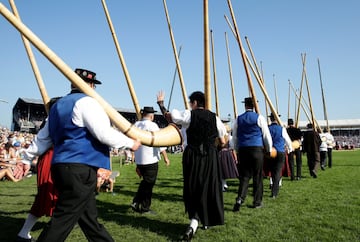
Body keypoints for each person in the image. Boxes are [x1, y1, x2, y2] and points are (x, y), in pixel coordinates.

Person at [21, 68, 141, 242]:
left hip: (61, 168)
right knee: (63, 220)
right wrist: (131, 143)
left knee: (89, 220)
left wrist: (25, 158)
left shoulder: (57, 106)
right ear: (91, 85)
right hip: (80, 168)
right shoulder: (88, 103)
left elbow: (42, 139)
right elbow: (103, 133)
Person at [157, 90, 226, 241]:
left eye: (190, 103)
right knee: (208, 187)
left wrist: (161, 104)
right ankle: (204, 220)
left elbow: (170, 117)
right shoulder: (215, 118)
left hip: (193, 156)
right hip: (210, 157)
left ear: (195, 103)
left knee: (193, 187)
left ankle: (194, 221)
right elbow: (223, 141)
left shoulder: (189, 115)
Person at [231, 97, 272, 211]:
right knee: (257, 176)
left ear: (245, 105)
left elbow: (234, 136)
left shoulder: (238, 119)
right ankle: (257, 202)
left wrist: (236, 149)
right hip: (256, 149)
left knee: (244, 176)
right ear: (254, 106)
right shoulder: (259, 118)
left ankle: (240, 198)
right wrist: (268, 149)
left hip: (243, 149)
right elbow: (266, 135)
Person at [130, 106, 170, 214]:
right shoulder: (153, 126)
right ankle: (141, 205)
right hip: (150, 159)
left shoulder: (136, 125)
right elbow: (159, 142)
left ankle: (139, 204)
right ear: (152, 116)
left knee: (146, 182)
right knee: (148, 184)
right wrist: (165, 157)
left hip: (139, 159)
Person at [266, 113, 293, 198]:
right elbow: (288, 141)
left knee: (272, 170)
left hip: (270, 152)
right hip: (280, 152)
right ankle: (274, 191)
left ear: (270, 119)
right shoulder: (281, 129)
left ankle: (272, 185)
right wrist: (290, 149)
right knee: (277, 171)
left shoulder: (267, 129)